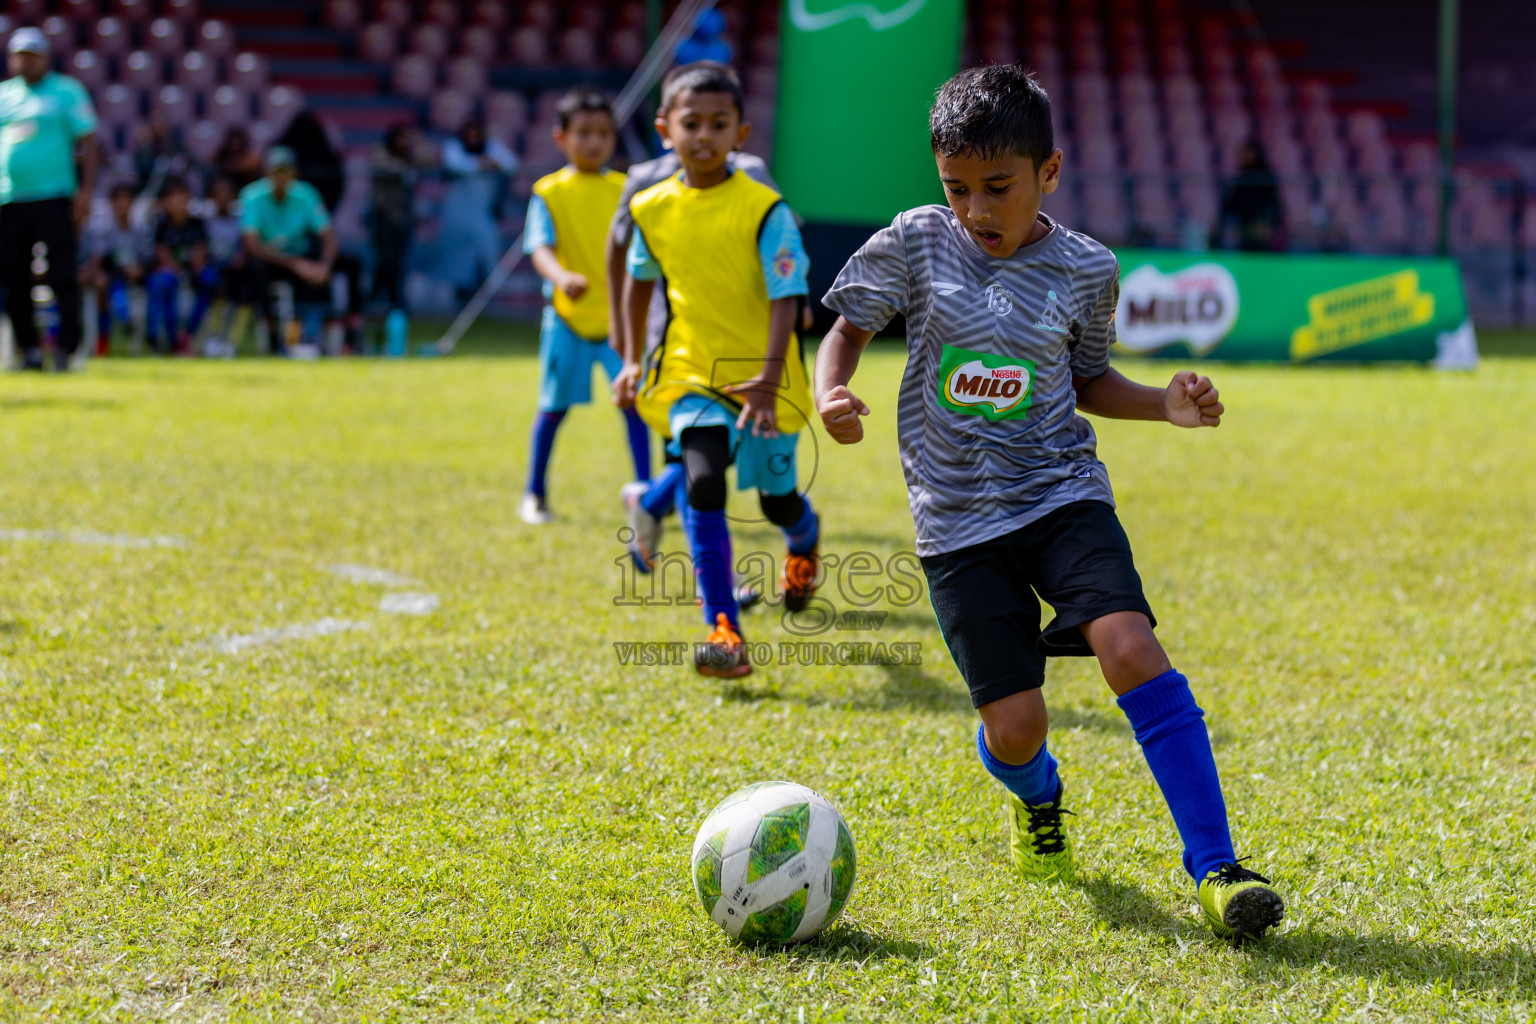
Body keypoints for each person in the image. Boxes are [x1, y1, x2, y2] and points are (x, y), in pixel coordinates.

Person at [814, 64, 1285, 941]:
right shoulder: (917, 241)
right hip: (955, 524)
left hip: (1063, 495)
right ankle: (1040, 798)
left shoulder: (1085, 268)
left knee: (1130, 647)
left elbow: (1088, 378)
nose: (976, 210)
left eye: (999, 188)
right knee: (1018, 727)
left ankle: (1218, 867)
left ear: (1050, 173)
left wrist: (1162, 404)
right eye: (958, 188)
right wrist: (832, 393)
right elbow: (845, 327)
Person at [612, 62, 819, 679]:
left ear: (741, 133)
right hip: (691, 372)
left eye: (718, 124)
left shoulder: (765, 209)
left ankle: (805, 542)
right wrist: (629, 357)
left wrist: (767, 374)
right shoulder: (651, 207)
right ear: (664, 130)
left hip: (768, 377)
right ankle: (723, 628)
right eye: (691, 123)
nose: (704, 135)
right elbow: (637, 282)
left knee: (779, 503)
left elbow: (788, 297)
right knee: (703, 480)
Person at [520, 88, 650, 526]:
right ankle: (534, 495)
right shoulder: (549, 192)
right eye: (584, 133)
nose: (594, 142)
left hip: (620, 326)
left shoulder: (628, 190)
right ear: (561, 137)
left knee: (635, 407)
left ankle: (647, 495)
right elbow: (539, 248)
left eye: (603, 133)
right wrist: (560, 277)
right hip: (568, 321)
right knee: (553, 409)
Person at [0, 27, 99, 371]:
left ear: (46, 58)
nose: (25, 62)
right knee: (14, 279)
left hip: (55, 197)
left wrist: (85, 192)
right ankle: (27, 350)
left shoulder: (67, 92)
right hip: (9, 200)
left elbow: (88, 144)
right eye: (19, 56)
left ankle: (66, 350)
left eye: (32, 56)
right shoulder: (4, 95)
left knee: (61, 275)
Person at [238, 145, 338, 354]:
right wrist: (295, 264)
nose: (281, 177)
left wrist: (323, 266)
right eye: (276, 171)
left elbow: (329, 237)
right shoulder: (251, 195)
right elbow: (252, 246)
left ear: (295, 173)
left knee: (328, 273)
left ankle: (318, 336)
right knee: (256, 270)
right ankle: (273, 334)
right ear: (267, 172)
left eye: (285, 171)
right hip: (271, 260)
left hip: (298, 256)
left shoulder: (306, 194)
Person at [439, 118, 516, 302]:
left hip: (484, 212)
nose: (473, 139)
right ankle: (460, 299)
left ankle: (491, 300)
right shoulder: (453, 146)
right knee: (459, 258)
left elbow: (511, 164)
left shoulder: (492, 146)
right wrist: (483, 163)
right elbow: (455, 165)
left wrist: (485, 163)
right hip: (457, 214)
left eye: (477, 135)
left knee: (488, 253)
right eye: (469, 136)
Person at [144, 176, 218, 354]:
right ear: (166, 202)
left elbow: (201, 252)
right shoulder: (161, 224)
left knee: (210, 278)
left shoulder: (197, 224)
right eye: (174, 198)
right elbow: (162, 256)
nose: (179, 203)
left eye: (183, 198)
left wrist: (193, 269)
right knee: (165, 282)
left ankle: (189, 334)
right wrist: (179, 272)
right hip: (170, 273)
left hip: (192, 272)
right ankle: (168, 339)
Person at [79, 182, 148, 355]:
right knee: (110, 293)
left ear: (133, 203)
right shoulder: (106, 232)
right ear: (111, 204)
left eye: (127, 200)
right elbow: (101, 259)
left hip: (138, 280)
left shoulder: (140, 232)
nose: (123, 204)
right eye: (119, 200)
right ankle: (106, 338)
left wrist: (139, 269)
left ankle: (143, 339)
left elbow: (148, 258)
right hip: (115, 280)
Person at [367, 123, 425, 313]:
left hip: (403, 219)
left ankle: (395, 299)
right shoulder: (382, 154)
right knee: (384, 261)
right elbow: (387, 169)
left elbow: (429, 160)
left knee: (399, 262)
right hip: (383, 217)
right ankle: (377, 298)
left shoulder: (410, 157)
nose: (404, 142)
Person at [203, 175, 250, 355]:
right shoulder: (204, 220)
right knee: (217, 288)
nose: (223, 196)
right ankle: (214, 339)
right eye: (219, 192)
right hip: (213, 270)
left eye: (227, 192)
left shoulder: (241, 219)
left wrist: (240, 257)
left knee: (245, 295)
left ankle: (232, 343)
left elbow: (246, 245)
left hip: (235, 271)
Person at [1216, 139, 1282, 252]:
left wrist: (1269, 224)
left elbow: (1274, 203)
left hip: (1260, 225)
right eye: (1244, 153)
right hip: (1244, 226)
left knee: (1261, 255)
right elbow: (1232, 203)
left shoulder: (1265, 177)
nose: (1246, 156)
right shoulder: (1241, 177)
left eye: (1249, 153)